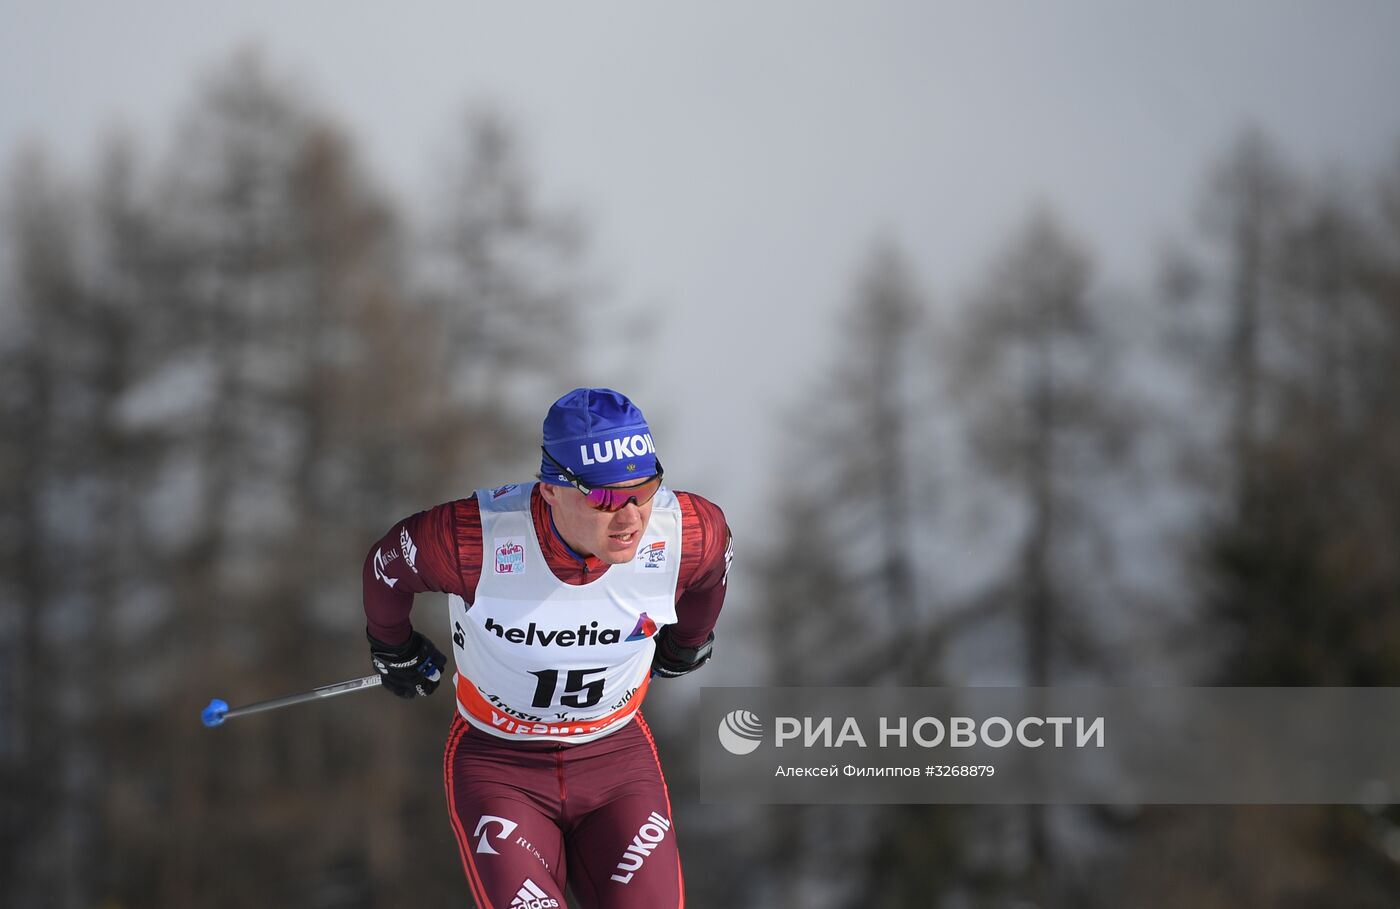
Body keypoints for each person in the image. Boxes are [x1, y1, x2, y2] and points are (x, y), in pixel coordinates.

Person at [361, 388, 732, 909]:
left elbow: (713, 572)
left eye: (644, 489)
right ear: (551, 489)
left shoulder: (686, 531)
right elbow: (386, 567)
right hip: (499, 765)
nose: (629, 517)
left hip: (616, 760)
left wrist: (689, 640)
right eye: (603, 498)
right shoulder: (474, 539)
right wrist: (392, 646)